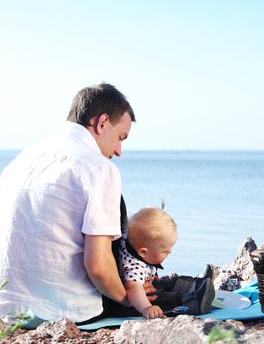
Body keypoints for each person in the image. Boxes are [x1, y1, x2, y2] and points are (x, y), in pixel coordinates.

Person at [0, 83, 142, 323]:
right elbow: (97, 265)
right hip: (65, 311)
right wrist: (127, 299)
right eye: (120, 137)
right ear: (102, 122)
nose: (119, 150)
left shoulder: (22, 158)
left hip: (9, 310)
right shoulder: (98, 168)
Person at [116, 207, 215, 319]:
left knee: (168, 281)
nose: (170, 252)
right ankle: (193, 302)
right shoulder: (135, 269)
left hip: (148, 280)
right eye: (165, 251)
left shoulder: (129, 237)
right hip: (139, 301)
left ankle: (195, 284)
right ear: (143, 252)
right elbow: (133, 289)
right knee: (162, 298)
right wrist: (146, 308)